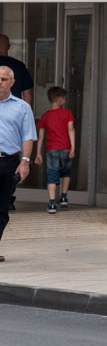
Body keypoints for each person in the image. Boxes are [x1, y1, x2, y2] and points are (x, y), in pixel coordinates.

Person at [0, 63, 35, 262]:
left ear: (12, 83)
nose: (0, 83)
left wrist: (25, 161)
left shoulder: (22, 107)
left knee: (2, 209)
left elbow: (28, 136)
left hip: (8, 162)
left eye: (4, 79)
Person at [36, 86, 75, 213]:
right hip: (65, 148)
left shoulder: (45, 116)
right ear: (59, 99)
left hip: (51, 150)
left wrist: (38, 153)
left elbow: (41, 136)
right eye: (63, 98)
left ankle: (52, 204)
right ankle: (63, 197)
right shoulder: (67, 113)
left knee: (52, 175)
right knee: (66, 172)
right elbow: (71, 130)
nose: (64, 100)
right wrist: (73, 148)